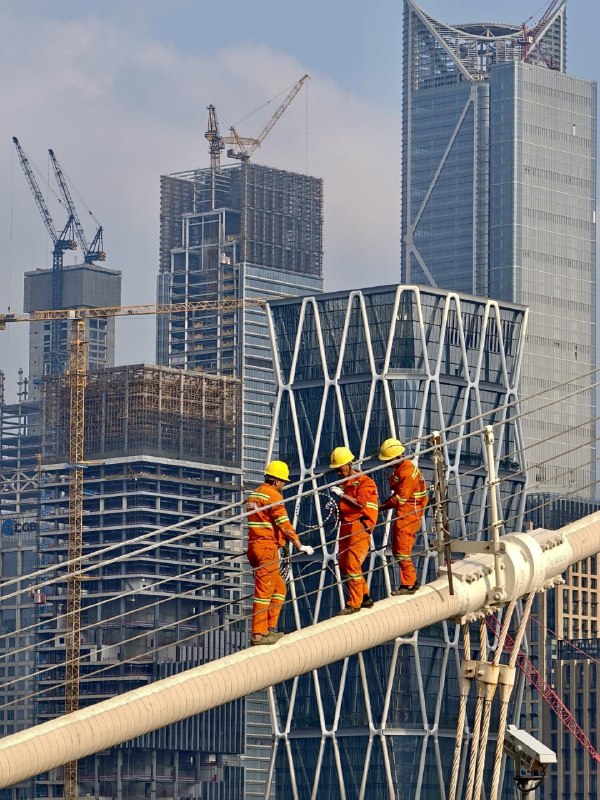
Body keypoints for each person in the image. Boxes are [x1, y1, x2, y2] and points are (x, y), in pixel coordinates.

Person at [247, 460, 314, 645]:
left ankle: (268, 629)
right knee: (264, 592)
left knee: (279, 588)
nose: (284, 485)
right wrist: (299, 545)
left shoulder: (254, 495)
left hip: (254, 547)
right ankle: (258, 635)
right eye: (283, 482)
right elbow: (283, 524)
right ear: (276, 481)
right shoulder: (273, 496)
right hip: (267, 548)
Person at [329, 446, 379, 615]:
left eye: (340, 468)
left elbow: (360, 504)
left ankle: (355, 603)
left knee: (352, 564)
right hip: (346, 525)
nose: (338, 473)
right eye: (336, 469)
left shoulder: (365, 482)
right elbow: (346, 507)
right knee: (344, 564)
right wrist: (336, 507)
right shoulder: (345, 484)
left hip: (359, 525)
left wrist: (342, 495)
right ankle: (364, 596)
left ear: (349, 464)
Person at [378, 438, 428, 595]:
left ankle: (409, 584)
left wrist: (380, 507)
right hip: (407, 513)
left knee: (401, 550)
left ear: (398, 457)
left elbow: (399, 499)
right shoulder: (404, 468)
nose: (388, 463)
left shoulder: (407, 473)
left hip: (409, 515)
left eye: (389, 460)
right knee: (398, 550)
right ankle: (411, 581)